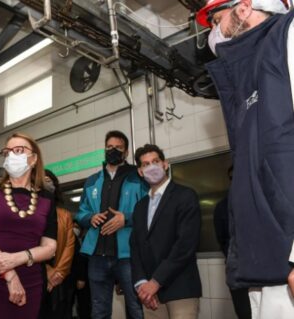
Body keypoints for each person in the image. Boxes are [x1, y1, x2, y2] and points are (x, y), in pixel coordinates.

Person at [196, 0, 294, 317]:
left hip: (286, 258)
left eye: (215, 19)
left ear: (243, 8)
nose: (213, 31)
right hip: (265, 263)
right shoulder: (248, 73)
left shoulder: (287, 36)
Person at [0, 132, 57, 318]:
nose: (11, 155)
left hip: (30, 282)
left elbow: (50, 247)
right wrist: (9, 274)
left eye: (19, 150)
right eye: (7, 151)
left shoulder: (47, 199)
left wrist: (18, 258)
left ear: (33, 159)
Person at [75, 130, 148, 319]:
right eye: (109, 147)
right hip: (97, 256)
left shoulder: (138, 176)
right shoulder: (92, 180)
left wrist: (127, 218)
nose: (112, 150)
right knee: (99, 309)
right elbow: (80, 212)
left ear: (126, 152)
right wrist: (89, 217)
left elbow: (150, 210)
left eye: (118, 148)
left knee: (136, 306)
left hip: (128, 255)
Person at [130, 144, 202, 319]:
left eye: (155, 161)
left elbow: (185, 244)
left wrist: (156, 281)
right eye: (146, 164)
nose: (152, 167)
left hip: (180, 287)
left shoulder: (185, 196)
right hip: (150, 294)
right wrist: (142, 284)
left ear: (165, 164)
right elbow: (136, 247)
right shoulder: (140, 207)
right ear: (140, 172)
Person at [213, 166, 251, 319]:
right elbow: (222, 238)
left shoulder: (259, 201)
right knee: (244, 313)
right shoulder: (222, 207)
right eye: (232, 178)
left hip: (263, 269)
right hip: (237, 270)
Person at [40, 169, 76, 319]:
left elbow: (69, 246)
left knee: (61, 312)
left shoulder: (65, 215)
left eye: (50, 181)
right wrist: (47, 270)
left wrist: (59, 272)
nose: (47, 184)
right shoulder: (31, 214)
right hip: (38, 273)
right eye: (43, 181)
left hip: (60, 276)